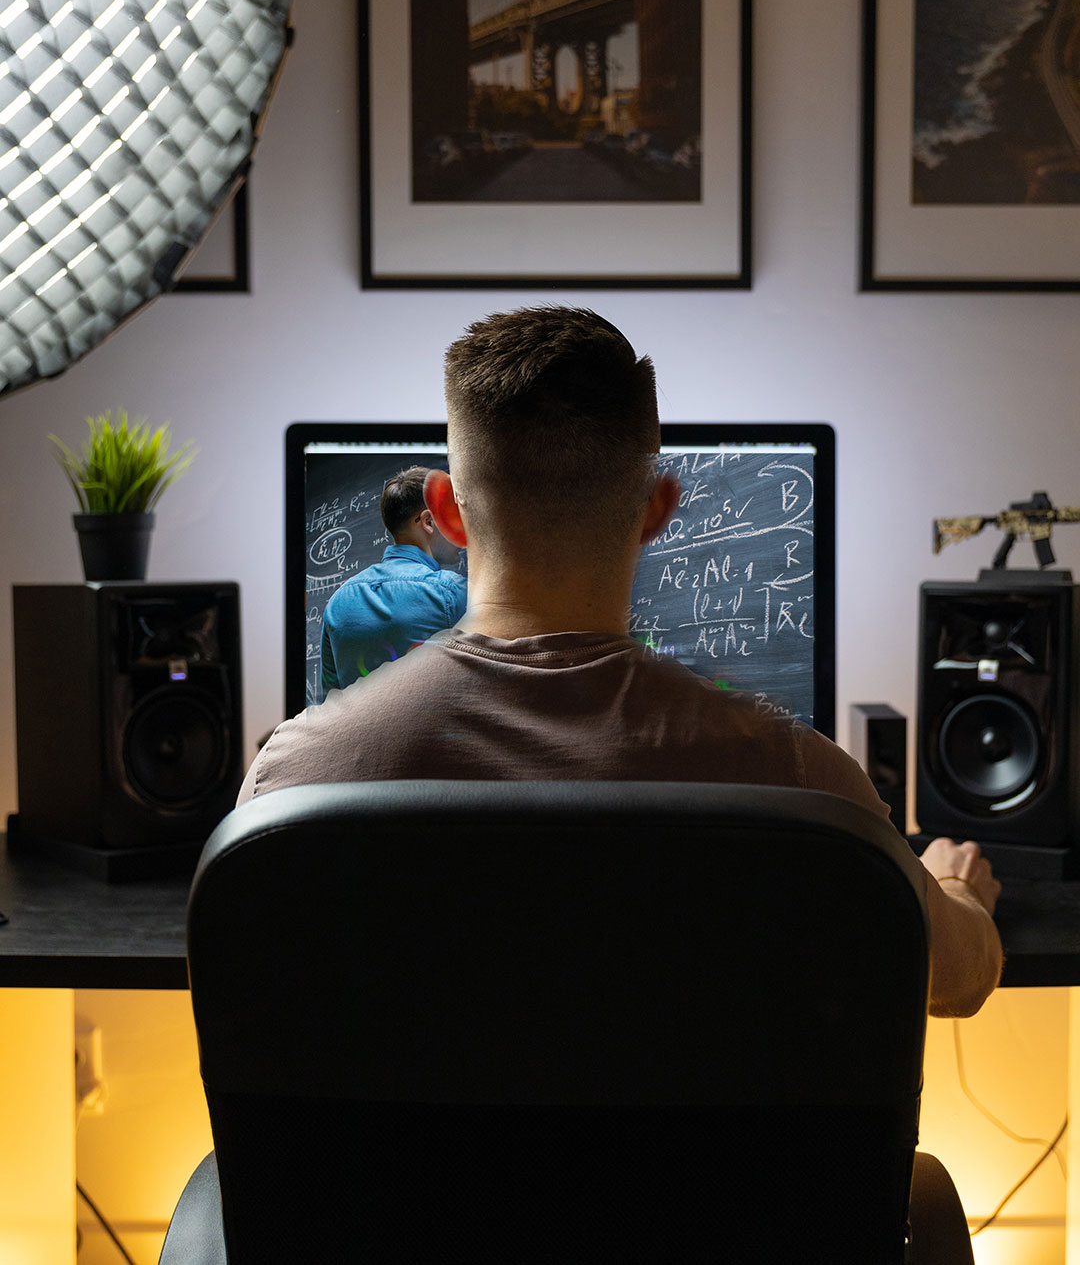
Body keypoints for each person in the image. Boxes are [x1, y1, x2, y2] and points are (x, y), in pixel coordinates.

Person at [245, 306, 1002, 1019]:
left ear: (445, 511)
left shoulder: (294, 783)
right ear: (658, 510)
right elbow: (959, 982)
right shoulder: (806, 791)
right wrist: (949, 889)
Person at [319, 465, 467, 692]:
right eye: (453, 516)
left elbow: (329, 705)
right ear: (428, 522)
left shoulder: (337, 603)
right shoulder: (453, 595)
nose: (462, 528)